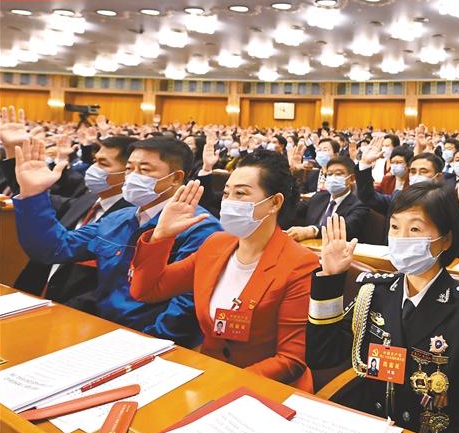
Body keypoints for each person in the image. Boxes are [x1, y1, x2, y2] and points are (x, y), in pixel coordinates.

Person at [307, 186, 459, 433]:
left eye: (415, 229)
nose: (401, 239)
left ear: (445, 240)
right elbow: (322, 355)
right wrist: (330, 280)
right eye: (395, 227)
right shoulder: (374, 292)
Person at [130, 150, 318, 391]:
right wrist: (161, 237)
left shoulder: (299, 263)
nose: (229, 201)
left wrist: (224, 383)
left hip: (265, 388)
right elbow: (146, 290)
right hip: (210, 375)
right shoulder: (215, 244)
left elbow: (290, 360)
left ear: (274, 203)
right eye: (227, 193)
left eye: (241, 193)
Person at [13, 136, 221, 348]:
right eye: (129, 169)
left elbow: (188, 304)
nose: (133, 176)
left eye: (144, 170)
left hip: (150, 342)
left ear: (176, 178)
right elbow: (55, 248)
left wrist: (150, 341)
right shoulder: (119, 218)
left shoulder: (198, 226)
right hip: (101, 331)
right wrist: (33, 195)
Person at [13, 135, 137, 301]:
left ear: (129, 172)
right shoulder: (88, 198)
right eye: (95, 161)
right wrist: (32, 191)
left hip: (77, 309)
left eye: (103, 164)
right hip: (35, 295)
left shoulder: (131, 217)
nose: (93, 168)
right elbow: (52, 243)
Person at [286, 156, 369, 242]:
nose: (333, 178)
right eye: (329, 174)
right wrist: (292, 172)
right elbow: (291, 210)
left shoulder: (359, 206)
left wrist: (312, 231)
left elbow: (344, 228)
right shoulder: (318, 198)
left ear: (351, 179)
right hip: (309, 246)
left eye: (338, 174)